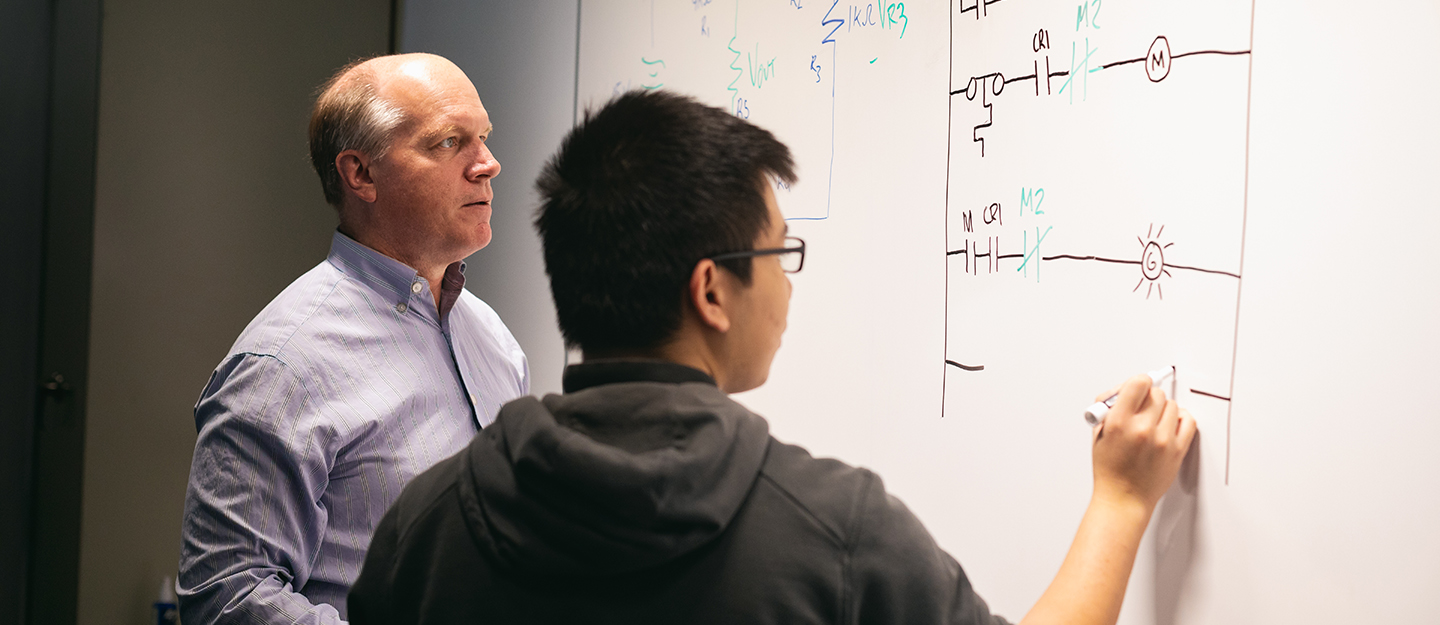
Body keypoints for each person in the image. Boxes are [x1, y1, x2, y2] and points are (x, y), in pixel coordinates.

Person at [346, 90, 1197, 625]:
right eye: (778, 257)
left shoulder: (424, 529)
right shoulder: (836, 534)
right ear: (712, 291)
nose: (787, 290)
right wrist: (1120, 501)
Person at [177, 53, 529, 624]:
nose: (487, 164)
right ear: (360, 174)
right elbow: (227, 599)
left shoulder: (490, 337)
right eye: (448, 143)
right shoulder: (282, 366)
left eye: (483, 137)